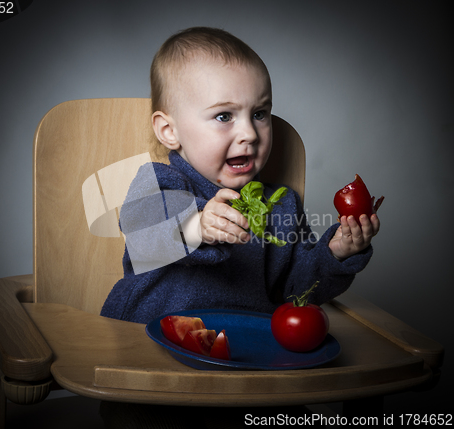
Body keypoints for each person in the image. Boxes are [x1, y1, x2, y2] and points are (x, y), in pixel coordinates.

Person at [100, 27, 380, 428]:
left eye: (260, 113)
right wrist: (196, 225)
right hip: (151, 369)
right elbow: (143, 239)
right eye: (224, 116)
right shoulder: (160, 182)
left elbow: (295, 292)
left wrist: (335, 254)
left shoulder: (280, 205)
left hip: (250, 369)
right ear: (169, 131)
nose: (249, 133)